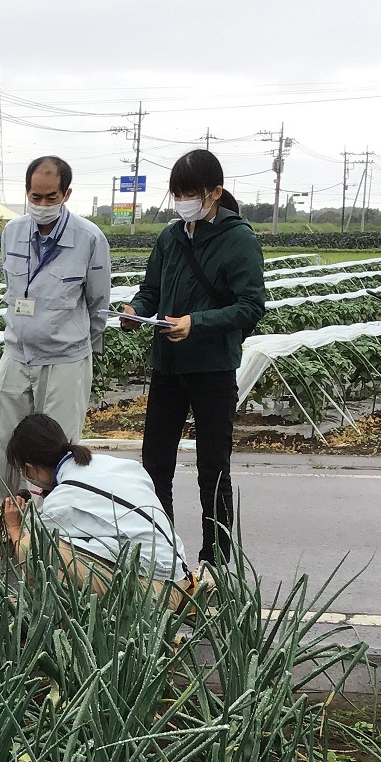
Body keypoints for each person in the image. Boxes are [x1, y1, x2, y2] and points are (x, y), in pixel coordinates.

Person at [121, 149, 264, 568]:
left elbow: (251, 305)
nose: (183, 201)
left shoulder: (238, 238)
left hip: (213, 369)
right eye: (177, 193)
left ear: (215, 193)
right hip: (167, 366)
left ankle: (215, 562)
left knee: (213, 468)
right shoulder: (170, 236)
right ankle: (161, 552)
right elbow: (151, 290)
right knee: (155, 464)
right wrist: (134, 311)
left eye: (191, 193)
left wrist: (196, 322)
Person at [0, 155, 111, 502]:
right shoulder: (12, 233)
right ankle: (7, 530)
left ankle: (53, 535)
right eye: (35, 197)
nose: (42, 205)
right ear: (26, 192)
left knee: (57, 452)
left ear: (66, 194)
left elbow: (97, 304)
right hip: (16, 354)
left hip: (64, 360)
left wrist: (78, 348)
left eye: (51, 198)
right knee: (6, 448)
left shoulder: (89, 238)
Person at [0, 413, 196, 605]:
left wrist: (14, 527)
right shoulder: (108, 463)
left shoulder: (64, 499)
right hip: (177, 574)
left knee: (32, 550)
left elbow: (33, 549)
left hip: (155, 593)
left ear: (30, 468)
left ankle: (70, 624)